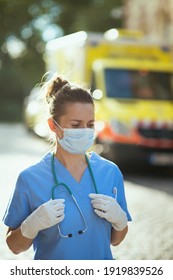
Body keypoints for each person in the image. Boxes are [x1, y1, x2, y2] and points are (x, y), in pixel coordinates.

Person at [3, 75, 132, 260]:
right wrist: (31, 226)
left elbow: (115, 241)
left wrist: (120, 222)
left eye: (90, 124)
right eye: (76, 124)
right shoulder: (30, 179)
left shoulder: (110, 173)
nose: (85, 131)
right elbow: (14, 246)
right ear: (53, 126)